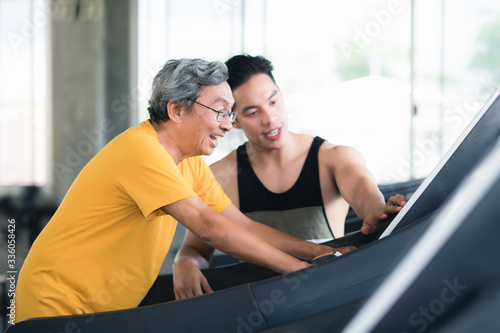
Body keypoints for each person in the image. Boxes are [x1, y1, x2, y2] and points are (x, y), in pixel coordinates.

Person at [14, 58, 348, 322]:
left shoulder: (189, 164)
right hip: (55, 308)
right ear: (176, 109)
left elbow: (241, 225)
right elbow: (208, 227)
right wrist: (301, 273)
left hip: (102, 312)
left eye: (230, 113)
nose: (228, 124)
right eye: (219, 110)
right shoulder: (140, 150)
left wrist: (317, 254)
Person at [172, 55, 406, 299]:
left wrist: (376, 209)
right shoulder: (221, 176)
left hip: (331, 295)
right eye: (252, 112)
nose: (270, 118)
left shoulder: (334, 158)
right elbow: (196, 249)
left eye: (273, 102)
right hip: (257, 306)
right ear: (235, 121)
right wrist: (185, 262)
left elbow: (362, 189)